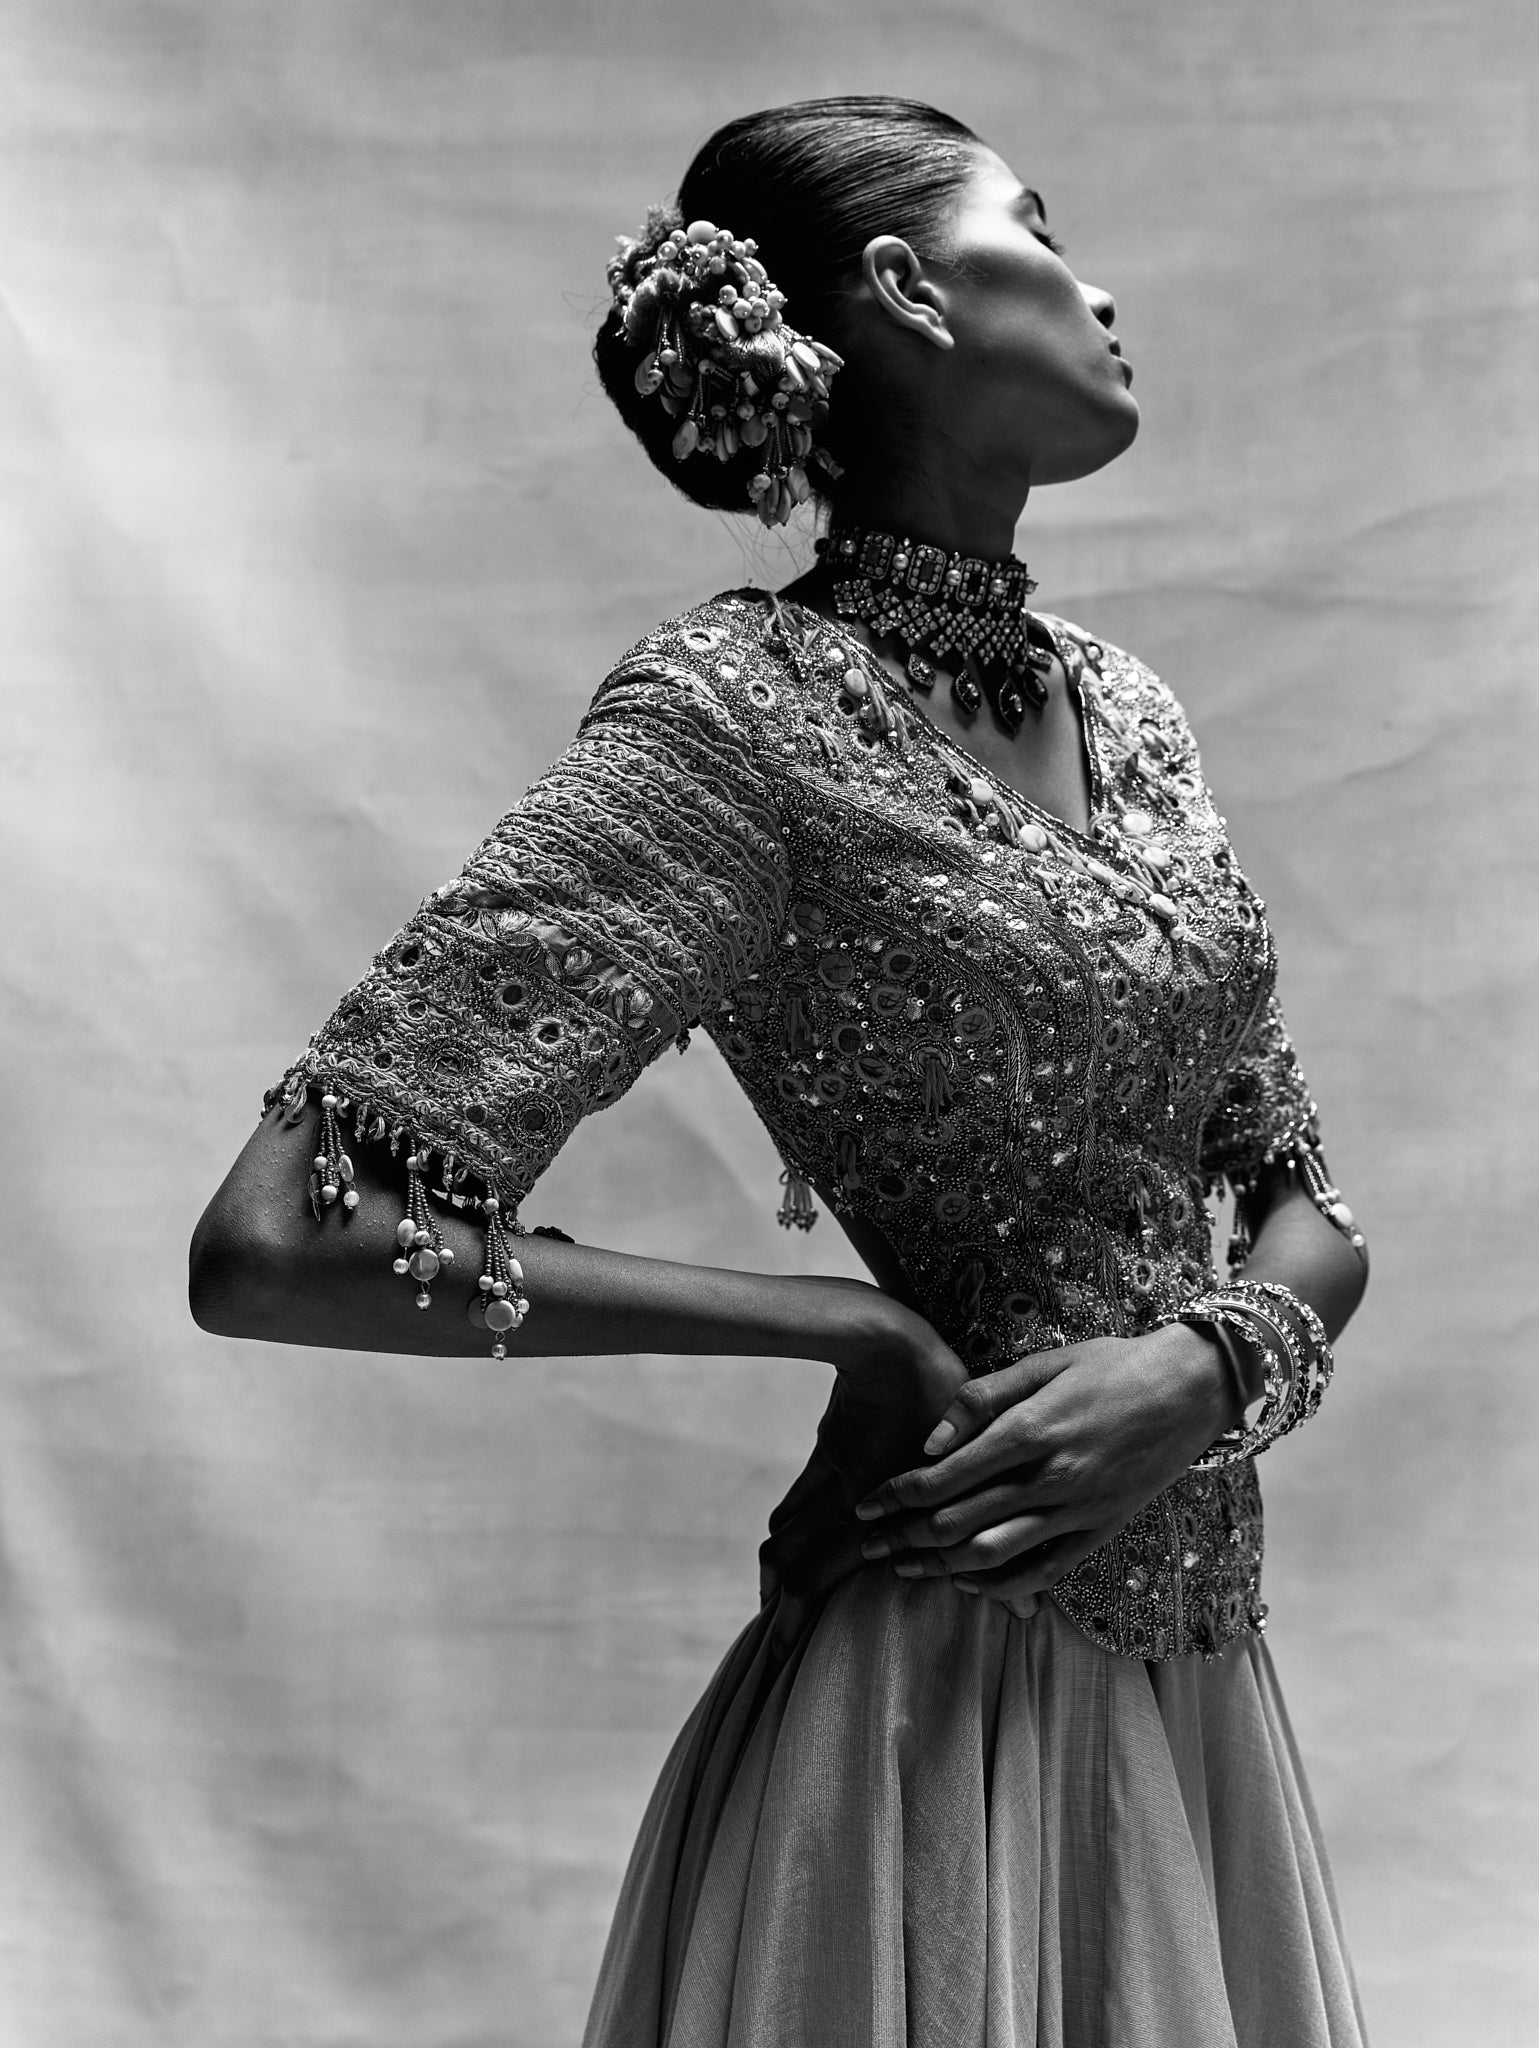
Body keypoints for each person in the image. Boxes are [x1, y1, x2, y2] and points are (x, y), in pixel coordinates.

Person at [191, 94, 1372, 2047]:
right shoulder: (735, 722)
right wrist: (851, 1326)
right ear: (907, 286)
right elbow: (282, 1237)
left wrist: (1205, 1368)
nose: (1096, 290)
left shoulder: (1131, 713)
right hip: (931, 1729)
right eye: (1040, 228)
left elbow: (1301, 1204)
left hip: (1199, 1708)